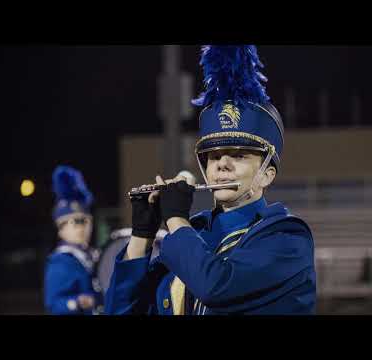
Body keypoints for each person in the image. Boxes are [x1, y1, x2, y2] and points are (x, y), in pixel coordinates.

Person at [105, 45, 316, 315]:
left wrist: (176, 220)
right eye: (213, 156)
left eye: (238, 156)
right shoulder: (194, 234)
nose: (222, 164)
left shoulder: (287, 238)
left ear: (267, 174)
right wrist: (142, 235)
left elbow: (217, 286)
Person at [44, 165, 104, 315]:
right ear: (60, 229)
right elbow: (54, 304)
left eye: (85, 221)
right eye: (74, 222)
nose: (81, 227)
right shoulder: (61, 259)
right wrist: (77, 302)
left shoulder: (95, 254)